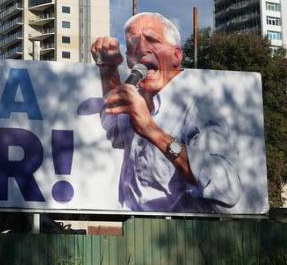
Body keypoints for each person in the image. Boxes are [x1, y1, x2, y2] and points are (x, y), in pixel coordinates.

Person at [91, 12, 242, 213]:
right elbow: (115, 131)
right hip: (132, 231)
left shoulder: (201, 103)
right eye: (133, 44)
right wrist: (108, 69)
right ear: (128, 59)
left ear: (176, 56)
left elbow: (227, 189)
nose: (142, 49)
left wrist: (152, 131)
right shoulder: (140, 97)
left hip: (178, 236)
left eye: (152, 40)